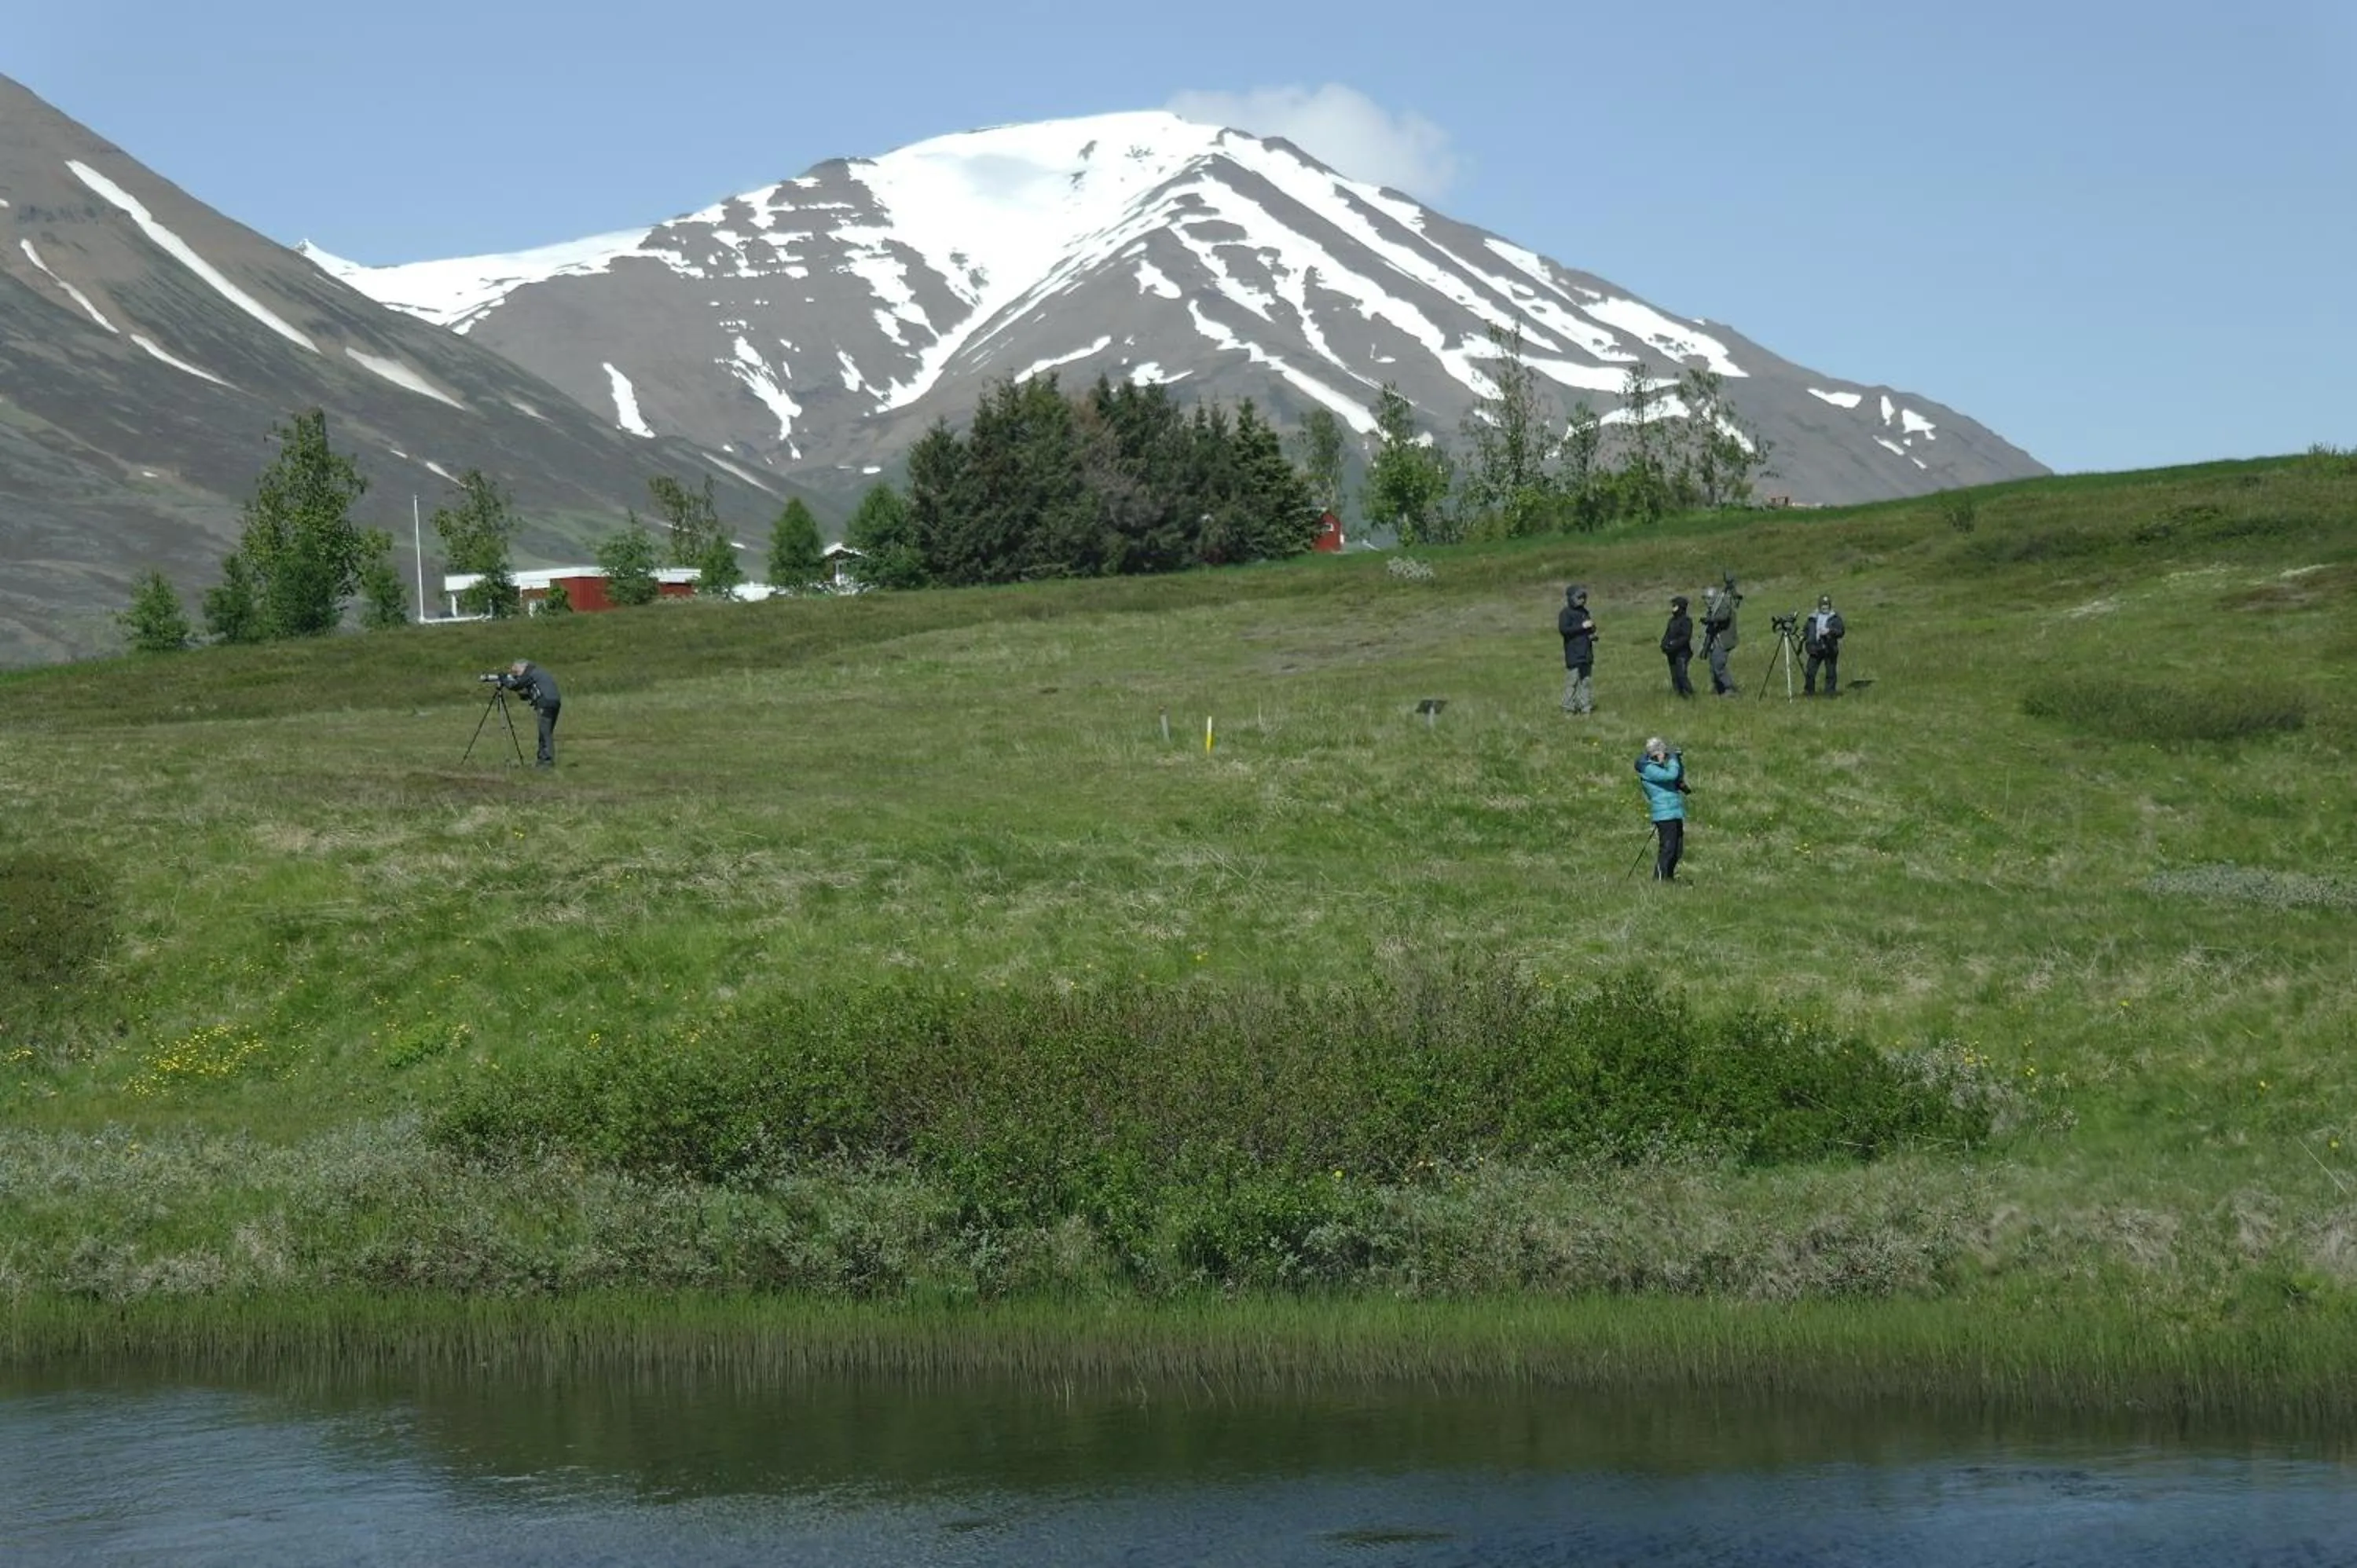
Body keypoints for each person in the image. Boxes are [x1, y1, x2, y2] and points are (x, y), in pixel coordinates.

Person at [1634, 736, 1689, 881]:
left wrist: (1678, 760)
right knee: (1668, 849)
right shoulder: (1649, 769)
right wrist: (1673, 759)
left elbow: (1677, 776)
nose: (1665, 756)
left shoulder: (1658, 767)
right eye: (1663, 753)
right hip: (1664, 815)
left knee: (1677, 850)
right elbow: (1671, 775)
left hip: (1674, 812)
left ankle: (1668, 878)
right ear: (1656, 753)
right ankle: (1659, 879)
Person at [495, 658, 562, 767]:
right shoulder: (538, 672)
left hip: (545, 704)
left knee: (545, 733)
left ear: (522, 667)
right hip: (553, 702)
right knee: (546, 732)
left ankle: (547, 761)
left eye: (517, 672)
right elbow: (532, 691)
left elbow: (515, 685)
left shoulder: (530, 673)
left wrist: (504, 679)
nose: (517, 675)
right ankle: (542, 759)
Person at [1557, 584, 1597, 716]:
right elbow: (1564, 630)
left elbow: (1590, 627)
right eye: (1579, 598)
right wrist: (1582, 627)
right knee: (1573, 681)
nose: (1582, 600)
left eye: (1584, 597)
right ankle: (1568, 708)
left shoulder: (1584, 612)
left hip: (1586, 652)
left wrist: (1592, 633)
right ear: (1571, 598)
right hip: (1573, 652)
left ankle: (1585, 707)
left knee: (1586, 681)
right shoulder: (1565, 613)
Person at [1700, 574, 1741, 697]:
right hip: (1715, 642)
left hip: (1724, 641)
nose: (1705, 602)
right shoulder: (1712, 609)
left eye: (1707, 599)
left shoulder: (1723, 605)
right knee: (1713, 666)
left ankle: (1729, 689)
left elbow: (1724, 617)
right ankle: (1719, 688)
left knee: (1718, 665)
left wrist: (1711, 620)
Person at [1804, 594, 1846, 697]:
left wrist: (1829, 631)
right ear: (1819, 606)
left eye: (1826, 605)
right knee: (1810, 672)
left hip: (1829, 648)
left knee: (1831, 673)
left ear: (1830, 606)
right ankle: (1809, 692)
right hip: (1815, 648)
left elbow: (1841, 631)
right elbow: (1806, 630)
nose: (1825, 607)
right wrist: (1804, 638)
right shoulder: (1812, 618)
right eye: (1823, 605)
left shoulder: (1835, 618)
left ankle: (1830, 693)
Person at [1660, 595, 1695, 698]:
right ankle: (1679, 694)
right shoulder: (1672, 621)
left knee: (1681, 675)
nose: (1672, 608)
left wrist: (1673, 645)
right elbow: (1667, 634)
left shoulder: (1686, 621)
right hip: (1671, 653)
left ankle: (1689, 694)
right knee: (1674, 676)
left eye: (1675, 606)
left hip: (1682, 652)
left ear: (1681, 607)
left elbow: (1685, 637)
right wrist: (1664, 645)